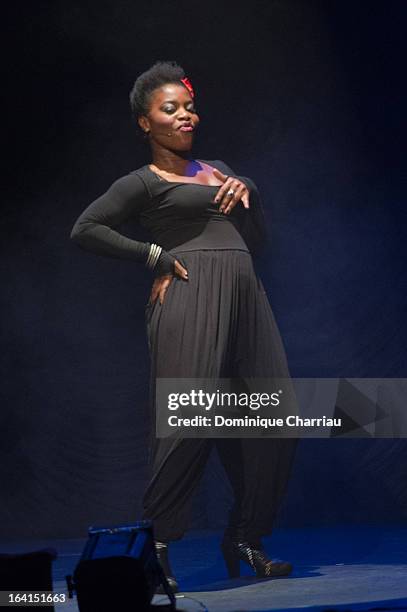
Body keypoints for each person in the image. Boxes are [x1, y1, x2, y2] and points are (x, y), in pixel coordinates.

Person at [70, 60, 298, 593]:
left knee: (278, 418)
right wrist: (155, 256)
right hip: (190, 297)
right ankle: (158, 548)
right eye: (168, 109)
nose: (184, 116)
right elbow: (85, 229)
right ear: (145, 123)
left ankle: (246, 536)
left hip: (247, 298)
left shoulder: (220, 169)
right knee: (187, 422)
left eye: (189, 107)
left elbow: (258, 243)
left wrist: (251, 191)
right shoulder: (142, 182)